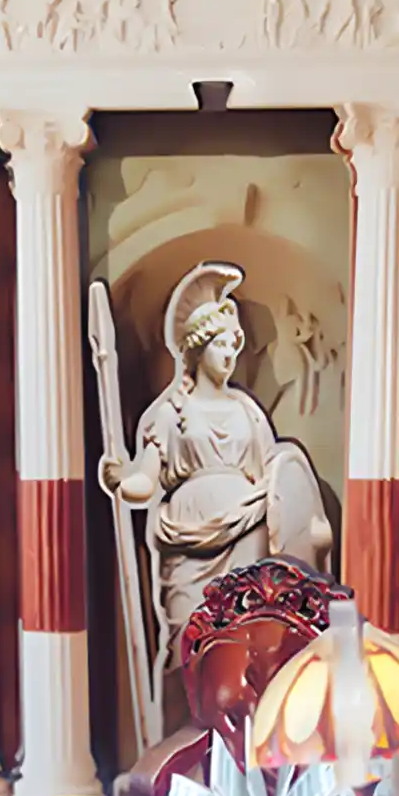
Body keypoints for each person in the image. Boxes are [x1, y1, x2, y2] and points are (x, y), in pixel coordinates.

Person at [100, 260, 332, 721]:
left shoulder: (247, 410)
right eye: (221, 344)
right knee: (190, 639)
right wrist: (122, 482)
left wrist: (313, 528)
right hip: (187, 543)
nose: (230, 354)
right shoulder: (172, 412)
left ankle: (241, 734)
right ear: (197, 348)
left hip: (248, 532)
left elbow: (279, 479)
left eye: (234, 344)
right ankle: (184, 735)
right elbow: (148, 477)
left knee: (246, 639)